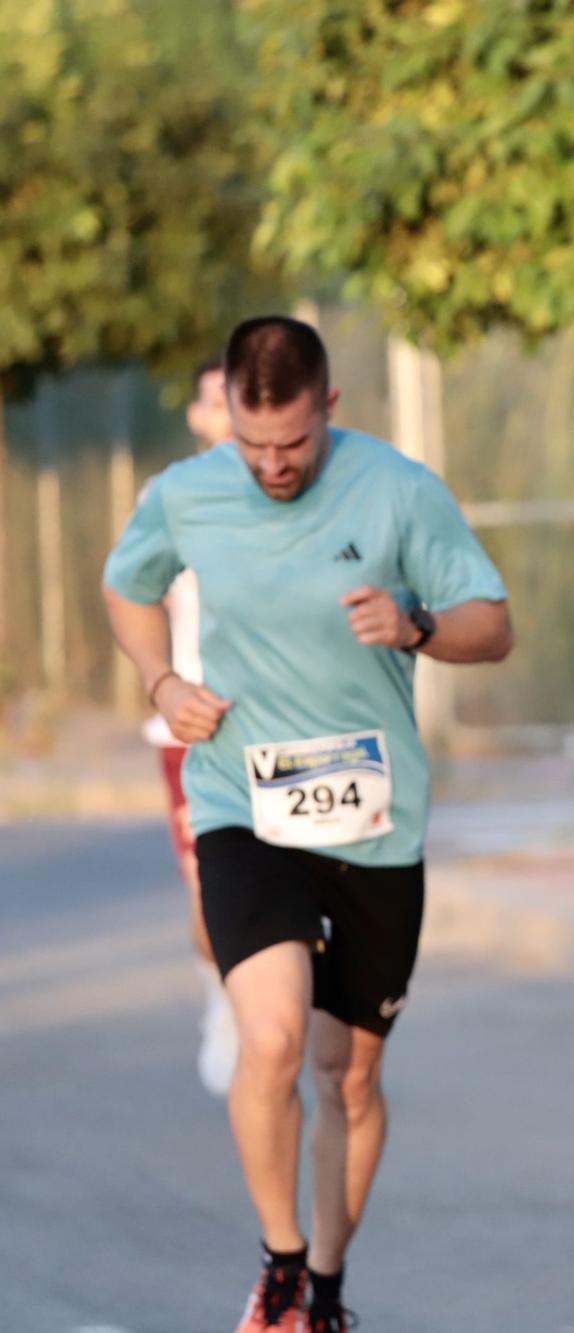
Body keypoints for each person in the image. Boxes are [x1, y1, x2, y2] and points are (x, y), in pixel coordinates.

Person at [102, 316, 513, 1333]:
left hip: (374, 820)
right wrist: (162, 676)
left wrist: (415, 623)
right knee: (274, 1034)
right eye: (255, 446)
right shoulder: (187, 492)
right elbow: (127, 586)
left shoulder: (398, 489)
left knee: (351, 1076)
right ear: (230, 418)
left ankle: (326, 1286)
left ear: (328, 407)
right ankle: (280, 1259)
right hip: (244, 799)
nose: (275, 466)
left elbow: (492, 625)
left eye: (293, 444)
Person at [141, 355, 238, 1096]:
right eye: (217, 399)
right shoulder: (170, 497)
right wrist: (165, 681)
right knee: (211, 892)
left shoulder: (311, 490)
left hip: (290, 724)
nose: (232, 410)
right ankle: (222, 1001)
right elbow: (130, 592)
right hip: (195, 731)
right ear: (199, 415)